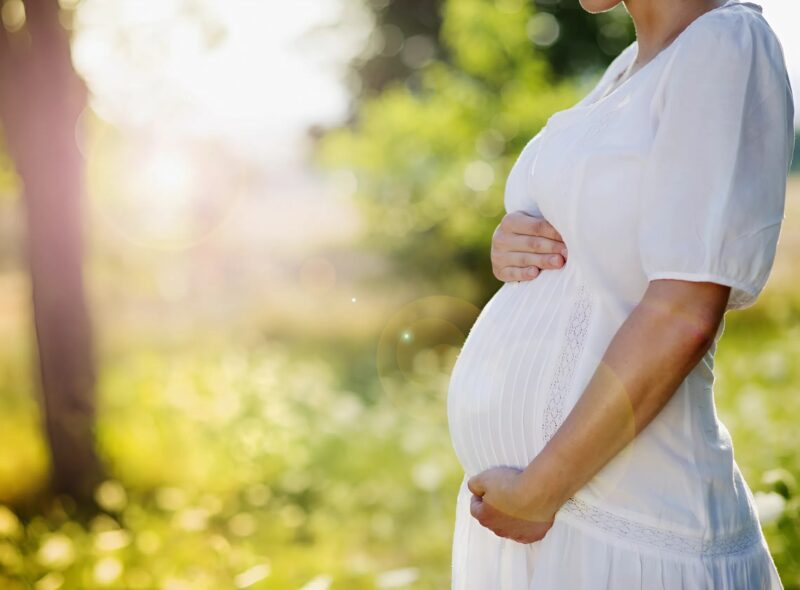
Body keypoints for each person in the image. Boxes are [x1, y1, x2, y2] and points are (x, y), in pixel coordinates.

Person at [445, 0, 795, 587]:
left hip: (625, 526)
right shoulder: (630, 66)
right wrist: (514, 241)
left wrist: (540, 489)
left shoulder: (727, 43)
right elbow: (602, 247)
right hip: (547, 521)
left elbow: (683, 311)